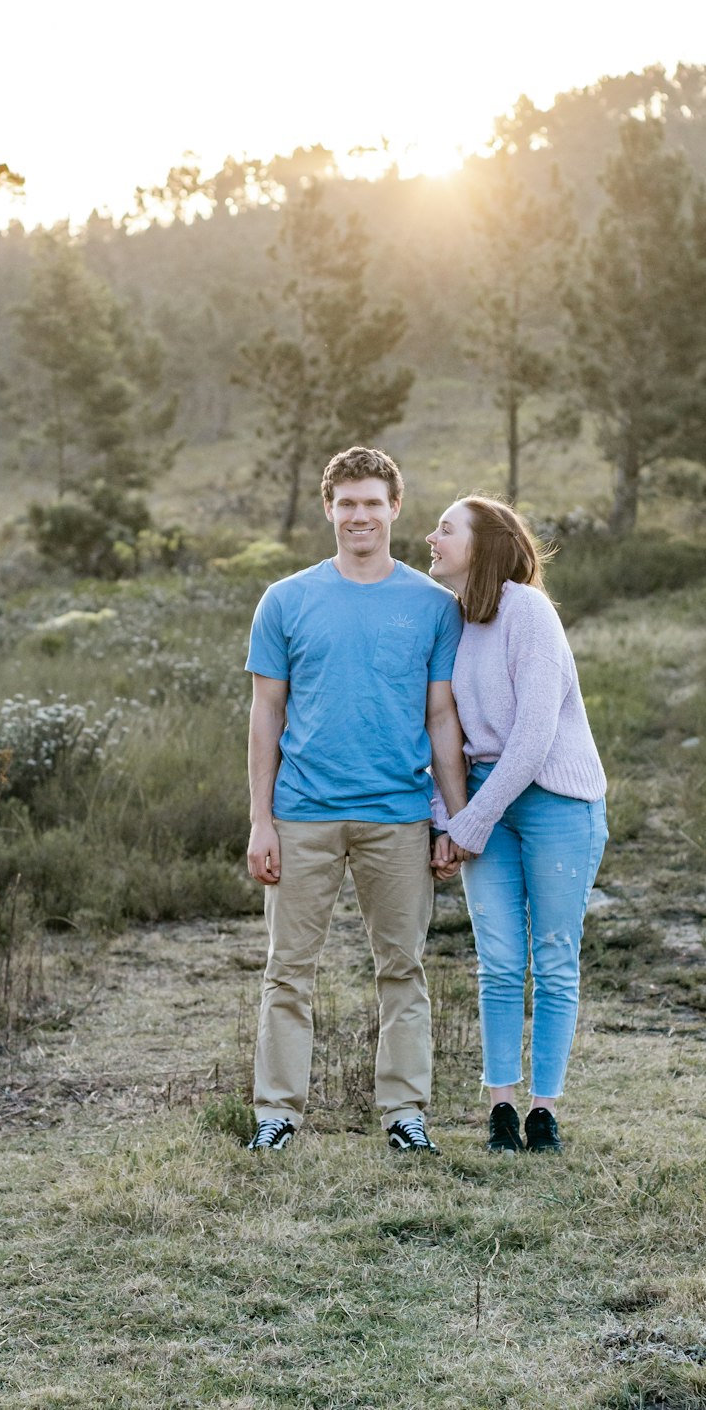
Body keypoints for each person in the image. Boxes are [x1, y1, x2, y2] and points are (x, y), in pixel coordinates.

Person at [244, 446, 469, 1153]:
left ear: (395, 509)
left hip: (398, 816)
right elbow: (265, 715)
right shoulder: (286, 600)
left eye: (374, 502)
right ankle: (275, 1116)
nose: (361, 515)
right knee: (288, 971)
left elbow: (442, 720)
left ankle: (405, 1115)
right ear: (329, 509)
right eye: (348, 503)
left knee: (402, 968)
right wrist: (260, 821)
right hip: (301, 813)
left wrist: (452, 822)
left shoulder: (434, 606)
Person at [426, 496, 608, 1154]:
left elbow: (532, 740)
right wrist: (446, 816)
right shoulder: (455, 619)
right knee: (499, 962)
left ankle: (544, 1111)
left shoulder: (528, 610)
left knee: (554, 959)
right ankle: (501, 1109)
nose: (431, 537)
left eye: (446, 528)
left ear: (484, 544)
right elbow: (443, 729)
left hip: (557, 800)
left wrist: (466, 826)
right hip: (484, 802)